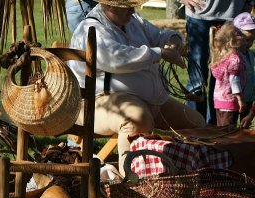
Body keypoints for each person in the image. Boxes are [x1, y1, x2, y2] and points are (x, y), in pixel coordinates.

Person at [68, 0, 206, 176]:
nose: (132, 10)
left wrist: (173, 42)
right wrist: (159, 53)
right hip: (99, 103)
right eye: (127, 6)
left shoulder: (133, 21)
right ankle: (132, 187)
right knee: (136, 119)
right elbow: (117, 59)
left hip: (153, 102)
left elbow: (161, 35)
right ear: (109, 6)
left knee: (195, 124)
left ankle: (185, 181)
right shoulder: (90, 28)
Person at [180, 0, 253, 125]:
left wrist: (250, 3)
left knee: (225, 80)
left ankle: (215, 129)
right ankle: (194, 128)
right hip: (199, 14)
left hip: (233, 14)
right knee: (197, 81)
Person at [209, 22, 247, 127]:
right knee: (227, 132)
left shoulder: (223, 57)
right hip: (230, 101)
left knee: (221, 129)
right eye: (239, 34)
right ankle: (225, 144)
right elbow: (234, 81)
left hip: (219, 100)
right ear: (231, 42)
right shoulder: (235, 59)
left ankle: (221, 143)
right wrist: (240, 99)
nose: (242, 36)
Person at [234, 12, 255, 128]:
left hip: (248, 97)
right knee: (228, 126)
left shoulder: (251, 54)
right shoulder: (232, 56)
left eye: (252, 40)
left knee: (245, 126)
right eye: (246, 39)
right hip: (233, 99)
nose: (249, 44)